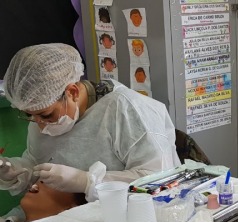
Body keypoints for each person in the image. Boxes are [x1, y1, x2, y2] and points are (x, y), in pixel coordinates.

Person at [0, 43, 179, 202]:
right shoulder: (40, 113)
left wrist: (85, 181)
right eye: (29, 115)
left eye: (46, 116)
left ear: (72, 92)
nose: (40, 126)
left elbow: (159, 181)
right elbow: (37, 166)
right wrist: (12, 171)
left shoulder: (127, 110)